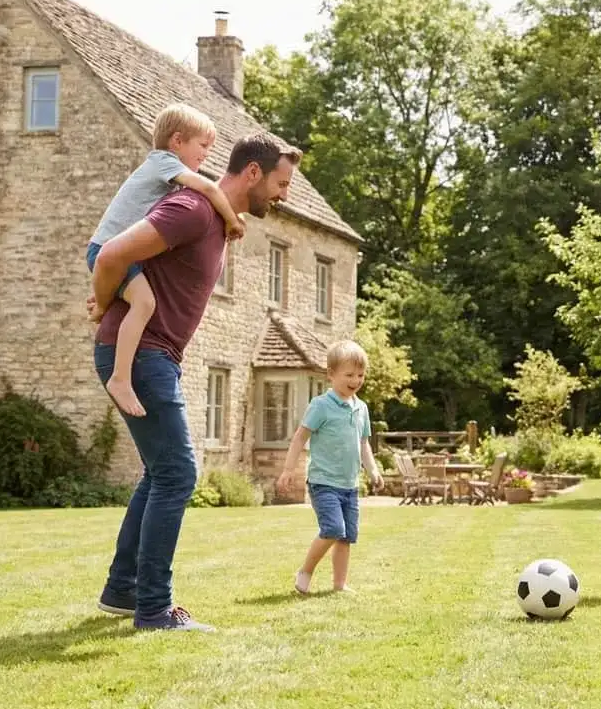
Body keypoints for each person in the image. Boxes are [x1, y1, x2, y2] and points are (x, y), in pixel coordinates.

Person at [89, 132, 299, 632]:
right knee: (178, 474)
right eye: (280, 183)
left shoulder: (217, 220)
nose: (283, 195)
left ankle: (124, 590)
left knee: (160, 473)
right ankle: (155, 610)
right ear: (252, 172)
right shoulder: (192, 209)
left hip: (154, 354)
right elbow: (109, 254)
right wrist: (101, 301)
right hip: (143, 354)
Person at [86, 103, 246, 419]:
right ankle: (120, 378)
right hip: (107, 249)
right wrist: (233, 221)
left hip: (115, 251)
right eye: (202, 146)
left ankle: (101, 304)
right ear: (177, 141)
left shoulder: (165, 171)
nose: (206, 155)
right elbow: (209, 187)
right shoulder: (163, 162)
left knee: (139, 299)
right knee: (145, 304)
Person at [276, 340, 384, 595]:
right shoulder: (321, 405)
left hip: (350, 484)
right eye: (349, 375)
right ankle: (305, 571)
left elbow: (363, 444)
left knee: (346, 537)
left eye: (360, 375)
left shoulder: (361, 408)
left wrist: (373, 470)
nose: (355, 380)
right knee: (333, 529)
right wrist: (288, 470)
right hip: (324, 482)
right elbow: (300, 437)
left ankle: (339, 585)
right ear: (331, 375)